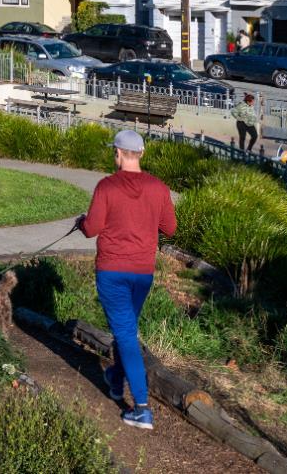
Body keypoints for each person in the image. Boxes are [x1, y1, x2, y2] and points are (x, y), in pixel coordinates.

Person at [76, 129, 177, 431]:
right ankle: (116, 380)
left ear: (117, 153)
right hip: (142, 273)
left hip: (112, 271)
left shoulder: (107, 187)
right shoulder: (159, 188)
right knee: (126, 330)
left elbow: (92, 228)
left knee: (127, 336)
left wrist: (80, 222)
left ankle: (142, 408)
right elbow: (169, 228)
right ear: (142, 154)